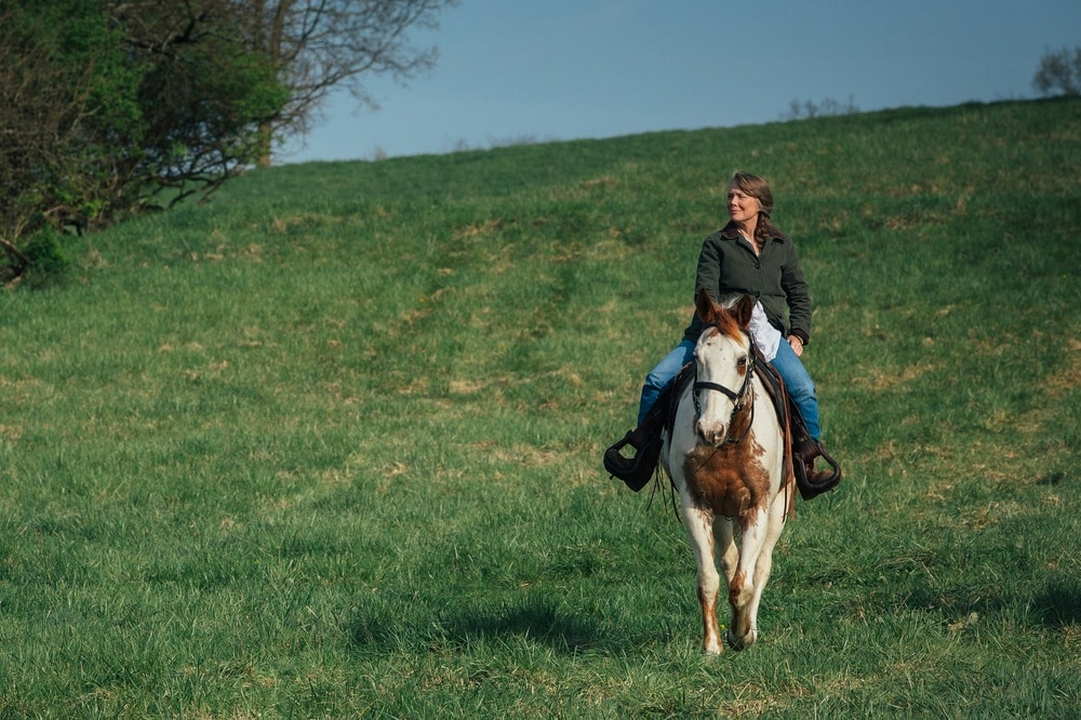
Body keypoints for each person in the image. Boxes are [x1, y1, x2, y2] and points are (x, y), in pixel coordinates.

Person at [604, 171, 837, 492]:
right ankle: (642, 454)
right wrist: (724, 320)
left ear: (761, 202)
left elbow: (798, 292)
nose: (733, 201)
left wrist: (798, 333)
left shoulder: (782, 245)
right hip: (716, 330)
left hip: (767, 335)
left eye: (741, 196)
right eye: (730, 196)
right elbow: (706, 290)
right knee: (657, 379)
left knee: (803, 389)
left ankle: (808, 462)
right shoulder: (716, 244)